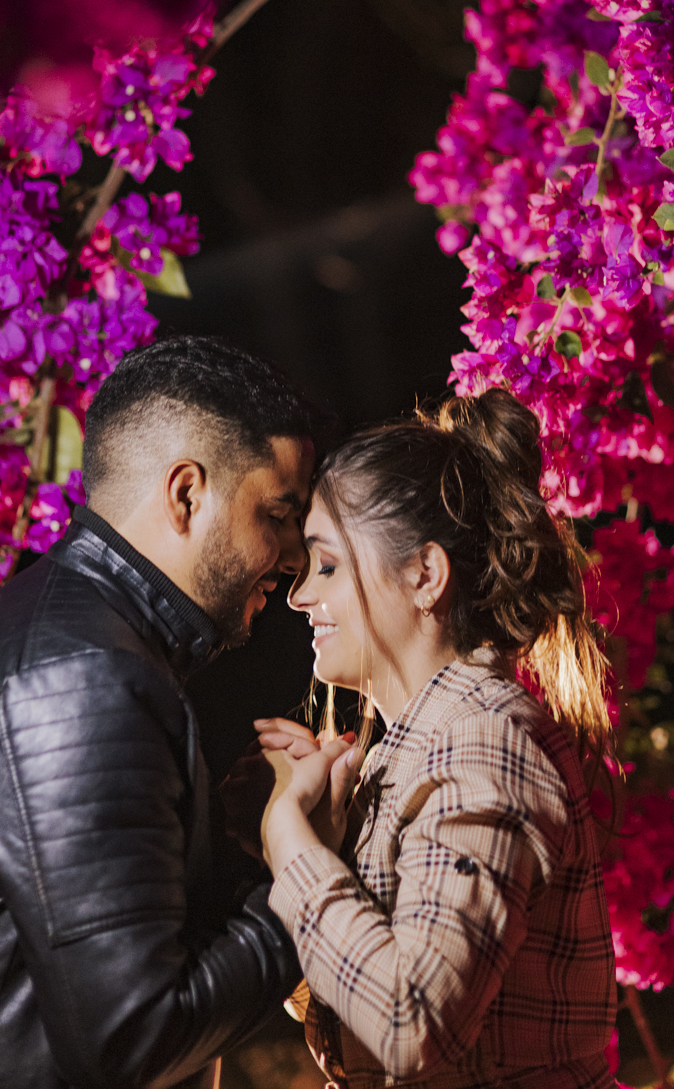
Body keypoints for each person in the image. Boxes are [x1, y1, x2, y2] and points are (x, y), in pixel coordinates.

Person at [0, 334, 317, 1089]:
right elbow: (132, 1041)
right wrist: (308, 879)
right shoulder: (83, 674)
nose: (295, 554)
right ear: (186, 494)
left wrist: (249, 852)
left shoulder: (83, 638)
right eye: (279, 510)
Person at [242, 388, 617, 1089]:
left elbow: (409, 1024)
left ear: (423, 574)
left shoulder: (481, 746)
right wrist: (321, 848)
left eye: (325, 566)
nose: (299, 598)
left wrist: (288, 843)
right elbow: (356, 1016)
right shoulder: (407, 753)